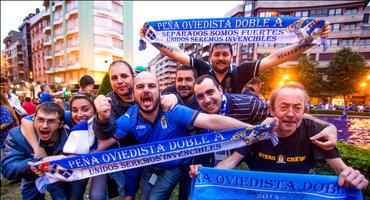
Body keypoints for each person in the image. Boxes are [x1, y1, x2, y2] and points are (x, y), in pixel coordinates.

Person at [95, 71, 272, 200]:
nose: (146, 90)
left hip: (173, 167)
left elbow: (212, 121)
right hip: (149, 167)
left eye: (151, 86)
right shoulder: (129, 117)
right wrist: (72, 159)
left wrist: (254, 130)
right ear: (134, 94)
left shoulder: (173, 110)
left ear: (160, 91)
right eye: (140, 87)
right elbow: (103, 143)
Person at [189, 83, 369, 191]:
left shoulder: (316, 131)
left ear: (304, 111)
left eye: (297, 108)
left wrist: (354, 177)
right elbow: (231, 162)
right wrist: (205, 173)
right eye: (284, 107)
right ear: (272, 110)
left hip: (300, 195)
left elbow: (341, 170)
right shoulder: (260, 132)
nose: (291, 114)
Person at [140, 23, 329, 93]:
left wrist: (310, 42)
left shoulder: (242, 71)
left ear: (231, 56)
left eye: (224, 54)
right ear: (211, 57)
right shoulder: (202, 68)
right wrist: (153, 38)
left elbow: (276, 57)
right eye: (217, 54)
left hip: (233, 126)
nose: (220, 58)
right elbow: (177, 53)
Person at [1, 103, 87, 199]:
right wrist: (39, 163)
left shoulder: (70, 135)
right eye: (40, 120)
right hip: (32, 176)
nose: (45, 125)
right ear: (33, 120)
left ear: (61, 124)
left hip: (61, 176)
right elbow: (8, 169)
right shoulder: (17, 136)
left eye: (51, 121)